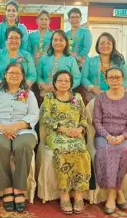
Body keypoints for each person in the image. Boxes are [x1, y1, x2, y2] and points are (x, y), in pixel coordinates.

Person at [0, 62, 39, 213]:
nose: (14, 76)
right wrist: (1, 127)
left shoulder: (29, 94)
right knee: (0, 147)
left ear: (22, 77)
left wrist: (16, 126)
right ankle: (6, 188)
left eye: (18, 73)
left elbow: (34, 114)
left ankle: (19, 189)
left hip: (23, 130)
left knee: (23, 147)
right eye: (11, 73)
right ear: (5, 75)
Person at [40, 70, 90, 215]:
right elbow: (47, 118)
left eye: (66, 81)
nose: (63, 83)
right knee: (62, 152)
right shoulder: (49, 97)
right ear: (54, 83)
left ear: (71, 83)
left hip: (75, 134)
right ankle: (64, 195)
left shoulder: (78, 97)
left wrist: (80, 129)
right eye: (60, 80)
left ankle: (79, 195)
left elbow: (84, 118)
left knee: (82, 152)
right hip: (56, 134)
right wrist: (63, 129)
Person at [93, 67, 127, 214]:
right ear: (106, 80)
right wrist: (107, 136)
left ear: (122, 79)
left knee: (123, 150)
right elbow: (96, 122)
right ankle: (119, 193)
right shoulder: (100, 98)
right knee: (106, 149)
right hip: (103, 136)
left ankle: (112, 195)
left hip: (125, 136)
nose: (114, 80)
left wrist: (122, 136)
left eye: (117, 77)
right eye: (111, 77)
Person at [81, 32, 127, 103]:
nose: (105, 46)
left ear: (113, 46)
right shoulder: (89, 61)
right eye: (102, 43)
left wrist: (120, 89)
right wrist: (92, 88)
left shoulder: (119, 61)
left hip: (115, 98)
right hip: (95, 98)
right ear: (97, 46)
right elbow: (83, 77)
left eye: (109, 43)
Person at [37, 30, 81, 101]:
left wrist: (64, 87)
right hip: (45, 95)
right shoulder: (44, 58)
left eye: (61, 40)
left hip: (65, 96)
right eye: (55, 40)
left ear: (66, 42)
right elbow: (37, 75)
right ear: (51, 42)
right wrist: (43, 85)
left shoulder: (71, 59)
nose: (58, 42)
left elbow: (77, 78)